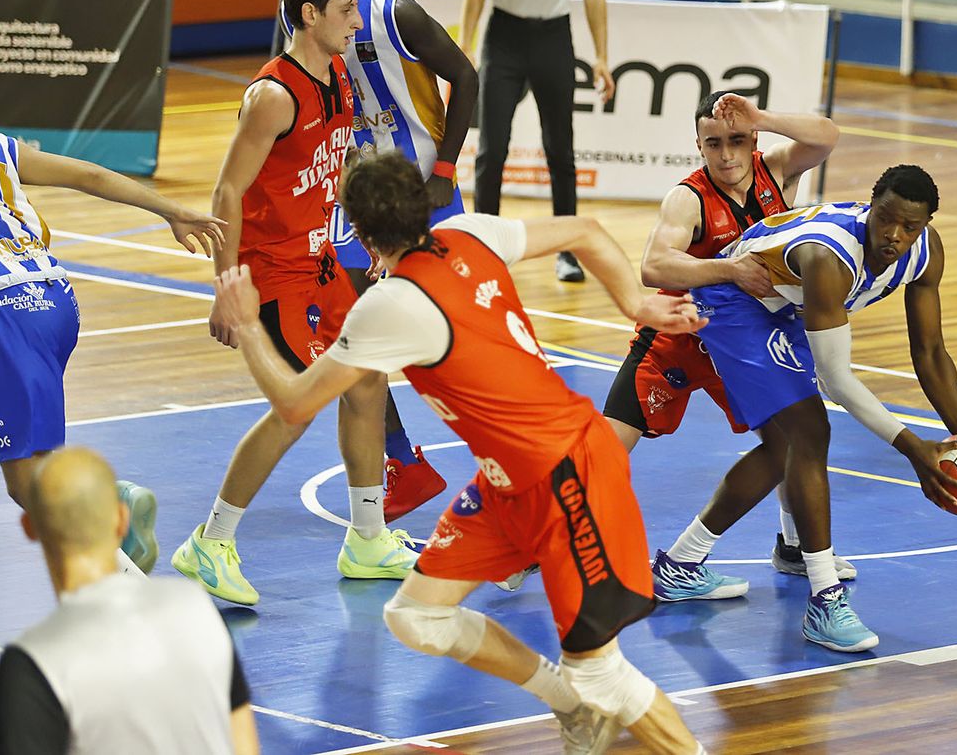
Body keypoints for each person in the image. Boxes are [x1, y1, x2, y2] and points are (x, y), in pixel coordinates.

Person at [211, 149, 708, 755]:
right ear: (423, 207)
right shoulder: (467, 232)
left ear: (360, 234)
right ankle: (569, 703)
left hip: (567, 471)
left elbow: (293, 403)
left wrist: (249, 324)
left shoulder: (389, 305)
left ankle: (600, 702)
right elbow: (586, 230)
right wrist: (635, 302)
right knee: (415, 617)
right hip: (508, 479)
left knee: (603, 670)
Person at [652, 165, 957, 654]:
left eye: (910, 227)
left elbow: (929, 352)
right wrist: (912, 448)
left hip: (785, 307)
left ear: (928, 224)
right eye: (885, 219)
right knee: (810, 431)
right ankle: (825, 599)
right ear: (871, 207)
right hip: (734, 300)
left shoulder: (927, 254)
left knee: (789, 443)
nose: (894, 235)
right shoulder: (831, 256)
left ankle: (680, 566)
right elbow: (837, 379)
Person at [172, 0, 418, 607]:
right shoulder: (273, 95)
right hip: (272, 269)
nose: (355, 20)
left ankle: (367, 538)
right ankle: (211, 539)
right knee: (297, 405)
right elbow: (226, 189)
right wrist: (227, 287)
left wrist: (365, 234)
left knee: (367, 380)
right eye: (344, 9)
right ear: (310, 15)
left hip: (323, 260)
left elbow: (329, 166)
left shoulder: (337, 71)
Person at [272, 0, 484, 520]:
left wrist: (443, 171)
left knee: (449, 341)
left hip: (422, 190)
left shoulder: (394, 9)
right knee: (353, 333)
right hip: (357, 201)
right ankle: (402, 463)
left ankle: (509, 460)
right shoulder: (302, 13)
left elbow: (465, 77)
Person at [601, 90, 850, 581]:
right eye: (713, 143)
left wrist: (763, 116)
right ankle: (524, 546)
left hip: (741, 346)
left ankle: (795, 547)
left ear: (753, 137)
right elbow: (654, 265)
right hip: (678, 337)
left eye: (738, 140)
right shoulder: (687, 197)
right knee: (604, 450)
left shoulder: (775, 170)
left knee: (792, 441)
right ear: (698, 145)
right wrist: (730, 270)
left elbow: (828, 138)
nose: (727, 154)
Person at [0, 131, 224, 575]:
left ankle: (125, 578)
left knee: (26, 486)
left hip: (3, 312)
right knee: (1, 439)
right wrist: (171, 210)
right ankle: (108, 497)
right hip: (55, 299)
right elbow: (88, 174)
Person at [0, 447, 259, 755]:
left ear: (30, 527)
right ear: (121, 518)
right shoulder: (198, 610)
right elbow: (244, 744)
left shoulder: (31, 661)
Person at [458, 0, 615, 283]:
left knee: (560, 149)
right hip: (504, 36)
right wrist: (466, 45)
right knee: (492, 148)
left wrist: (602, 56)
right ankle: (485, 243)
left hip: (552, 37)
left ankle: (566, 249)